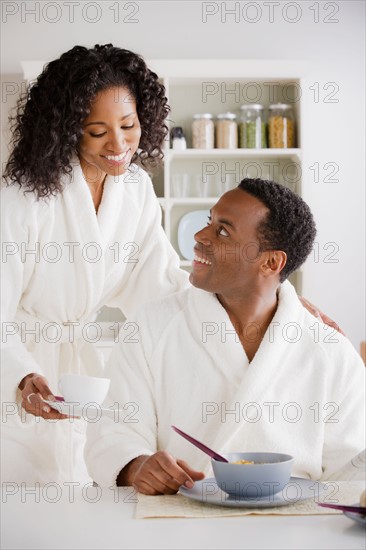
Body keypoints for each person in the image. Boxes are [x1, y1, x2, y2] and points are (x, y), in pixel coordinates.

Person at [0, 43, 342, 486]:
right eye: (97, 131)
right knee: (23, 502)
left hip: (79, 382)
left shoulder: (135, 188)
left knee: (79, 496)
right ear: (67, 129)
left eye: (128, 125)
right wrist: (23, 375)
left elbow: (159, 283)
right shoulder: (23, 199)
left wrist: (278, 304)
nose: (119, 145)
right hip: (23, 370)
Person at [85, 179, 365, 495]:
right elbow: (111, 430)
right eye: (209, 221)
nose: (199, 236)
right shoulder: (150, 326)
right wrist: (137, 466)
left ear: (271, 262)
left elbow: (352, 473)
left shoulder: (331, 353)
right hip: (178, 526)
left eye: (222, 231)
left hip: (294, 533)